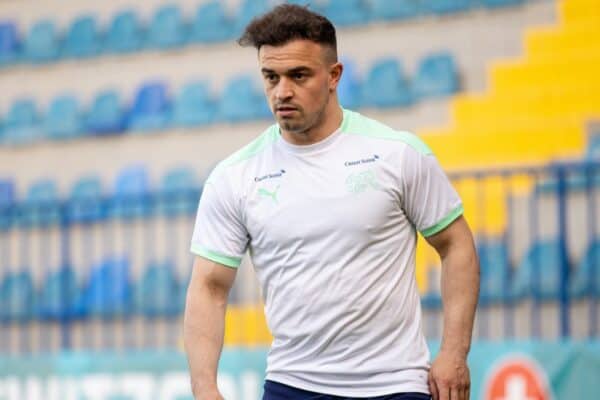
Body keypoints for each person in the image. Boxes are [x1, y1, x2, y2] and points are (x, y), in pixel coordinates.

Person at [184, 4, 479, 400]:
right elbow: (209, 287)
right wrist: (205, 389)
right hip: (293, 386)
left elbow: (456, 245)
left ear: (334, 76)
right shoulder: (234, 176)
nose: (282, 91)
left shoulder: (397, 153)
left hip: (395, 385)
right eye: (270, 77)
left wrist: (454, 352)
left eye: (298, 75)